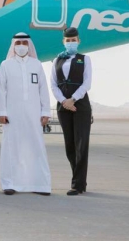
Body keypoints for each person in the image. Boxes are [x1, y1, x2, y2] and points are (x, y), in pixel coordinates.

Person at [0, 32, 51, 196]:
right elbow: (1, 90)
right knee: (12, 148)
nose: (21, 46)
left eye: (24, 43)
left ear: (29, 45)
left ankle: (40, 184)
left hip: (34, 113)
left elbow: (43, 89)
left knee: (36, 147)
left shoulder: (37, 64)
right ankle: (10, 184)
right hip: (12, 114)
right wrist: (1, 112)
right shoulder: (6, 64)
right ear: (14, 45)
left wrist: (46, 111)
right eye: (18, 42)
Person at [50, 26, 92, 196]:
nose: (71, 43)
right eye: (68, 40)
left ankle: (78, 184)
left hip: (80, 105)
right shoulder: (56, 60)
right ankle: (79, 180)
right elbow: (53, 84)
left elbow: (87, 83)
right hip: (63, 106)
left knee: (81, 144)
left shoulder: (85, 59)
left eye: (74, 40)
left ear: (78, 41)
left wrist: (73, 99)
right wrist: (63, 101)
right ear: (63, 42)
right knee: (70, 146)